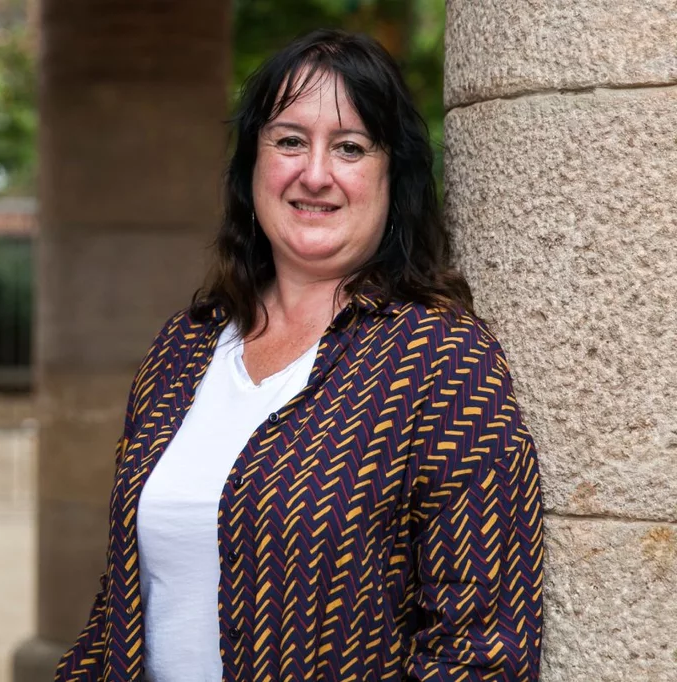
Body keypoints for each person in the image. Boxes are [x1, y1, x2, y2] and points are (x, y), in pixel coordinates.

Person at [55, 28, 544, 682]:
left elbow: (482, 651)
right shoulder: (184, 347)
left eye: (349, 147)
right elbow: (119, 609)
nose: (315, 174)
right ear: (251, 164)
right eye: (289, 140)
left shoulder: (442, 361)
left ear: (392, 177)